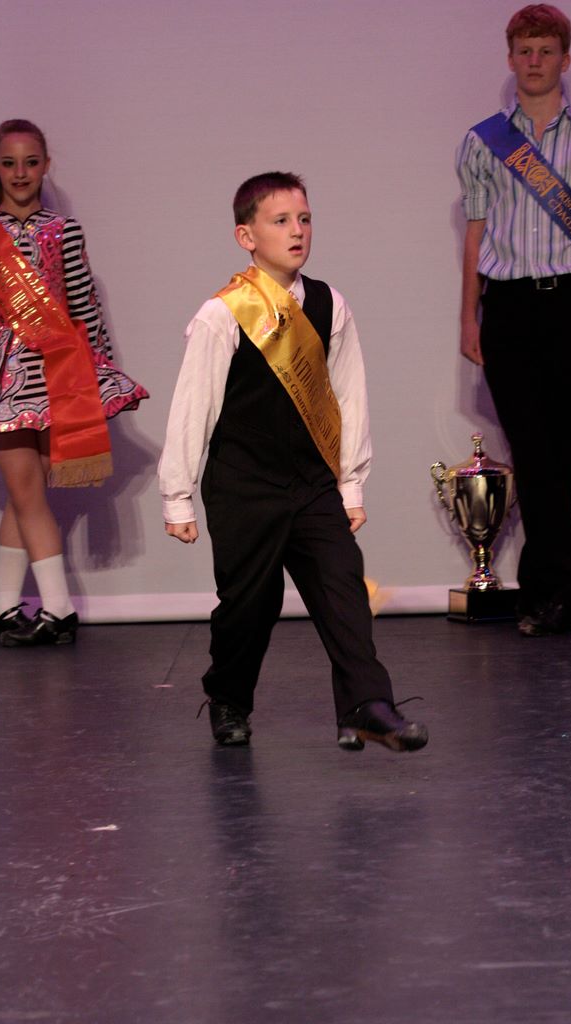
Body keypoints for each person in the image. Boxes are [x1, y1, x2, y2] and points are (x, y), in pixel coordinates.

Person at [158, 171, 428, 753]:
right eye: (280, 221)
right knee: (250, 606)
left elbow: (349, 397)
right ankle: (228, 698)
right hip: (243, 484)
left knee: (342, 588)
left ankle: (366, 705)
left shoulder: (331, 304)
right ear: (246, 236)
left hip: (311, 482)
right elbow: (193, 406)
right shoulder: (223, 313)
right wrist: (177, 496)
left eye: (304, 219)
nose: (297, 231)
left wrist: (351, 485)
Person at [0, 119, 149, 645]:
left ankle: (3, 606)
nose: (20, 173)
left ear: (46, 166)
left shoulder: (65, 231)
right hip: (1, 382)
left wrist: (98, 372)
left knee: (25, 495)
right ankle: (59, 609)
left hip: (57, 376)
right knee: (28, 493)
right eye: (9, 163)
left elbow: (83, 307)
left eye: (31, 162)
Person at [456, 5, 571, 637]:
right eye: (524, 50)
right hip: (507, 308)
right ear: (510, 59)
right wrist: (468, 317)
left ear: (565, 59)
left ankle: (545, 593)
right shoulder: (483, 141)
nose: (534, 61)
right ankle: (570, 597)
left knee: (562, 451)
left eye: (546, 50)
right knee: (531, 451)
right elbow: (475, 236)